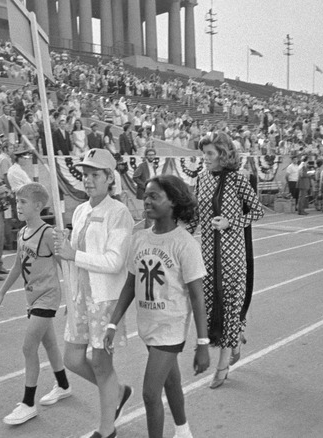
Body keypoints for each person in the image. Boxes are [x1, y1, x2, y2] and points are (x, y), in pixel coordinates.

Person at [103, 175, 210, 438]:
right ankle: (183, 431)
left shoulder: (185, 244)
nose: (146, 201)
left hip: (170, 328)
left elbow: (197, 297)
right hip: (148, 326)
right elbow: (130, 284)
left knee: (151, 394)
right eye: (146, 195)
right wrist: (112, 323)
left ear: (173, 202)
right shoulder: (139, 239)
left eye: (154, 196)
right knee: (171, 381)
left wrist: (203, 344)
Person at [54, 148, 134, 438]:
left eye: (94, 175)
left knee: (101, 364)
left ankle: (106, 428)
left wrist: (73, 254)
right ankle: (118, 391)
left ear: (109, 178)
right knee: (72, 359)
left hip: (105, 300)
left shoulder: (119, 212)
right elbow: (73, 257)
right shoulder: (80, 210)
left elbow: (114, 263)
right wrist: (64, 255)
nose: (88, 180)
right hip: (80, 298)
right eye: (85, 174)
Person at [187, 132, 263, 389]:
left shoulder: (238, 180)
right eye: (203, 153)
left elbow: (258, 211)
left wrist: (233, 222)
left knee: (229, 304)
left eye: (209, 154)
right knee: (211, 306)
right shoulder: (201, 180)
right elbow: (195, 218)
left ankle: (222, 366)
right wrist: (175, 235)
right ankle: (234, 337)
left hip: (233, 255)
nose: (205, 159)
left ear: (223, 154)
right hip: (207, 254)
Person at [0, 183, 72, 425]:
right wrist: (1, 292)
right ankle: (63, 385)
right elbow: (18, 265)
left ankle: (28, 403)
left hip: (47, 297)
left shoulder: (48, 234)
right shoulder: (21, 233)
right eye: (17, 202)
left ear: (38, 206)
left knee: (28, 348)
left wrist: (71, 299)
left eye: (23, 203)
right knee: (49, 345)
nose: (18, 207)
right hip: (32, 297)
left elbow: (64, 265)